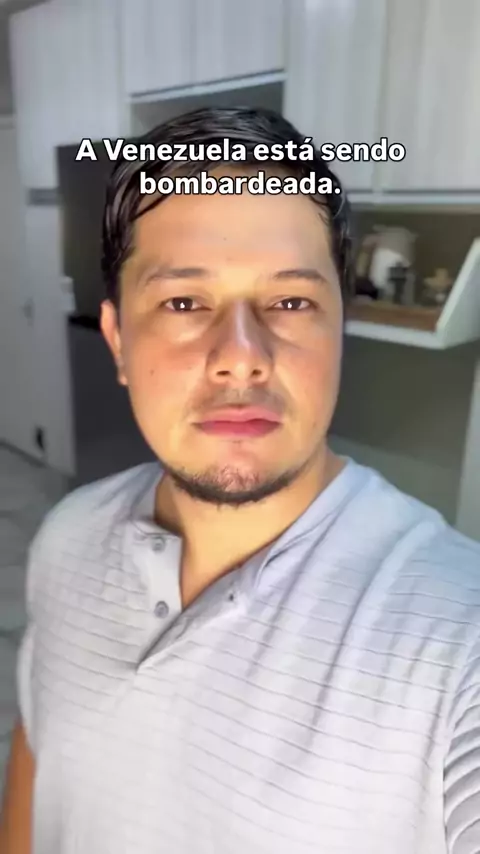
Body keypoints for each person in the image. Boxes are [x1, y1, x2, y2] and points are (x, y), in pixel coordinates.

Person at [1, 106, 479, 854]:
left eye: (291, 301)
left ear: (339, 329)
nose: (241, 358)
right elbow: (40, 752)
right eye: (184, 302)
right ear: (118, 340)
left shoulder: (457, 639)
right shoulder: (67, 538)